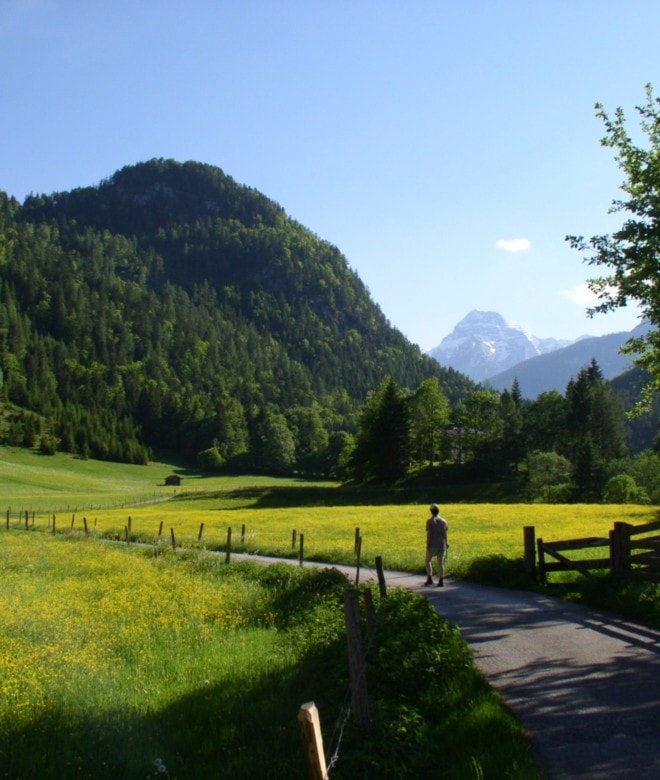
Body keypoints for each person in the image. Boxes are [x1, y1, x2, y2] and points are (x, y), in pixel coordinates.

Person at [424, 503, 448, 587]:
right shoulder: (444, 521)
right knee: (440, 563)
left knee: (427, 560)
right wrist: (446, 542)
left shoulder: (430, 521)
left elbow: (429, 534)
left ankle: (429, 578)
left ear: (431, 511)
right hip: (442, 544)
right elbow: (445, 533)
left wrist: (428, 544)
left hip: (433, 544)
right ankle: (441, 581)